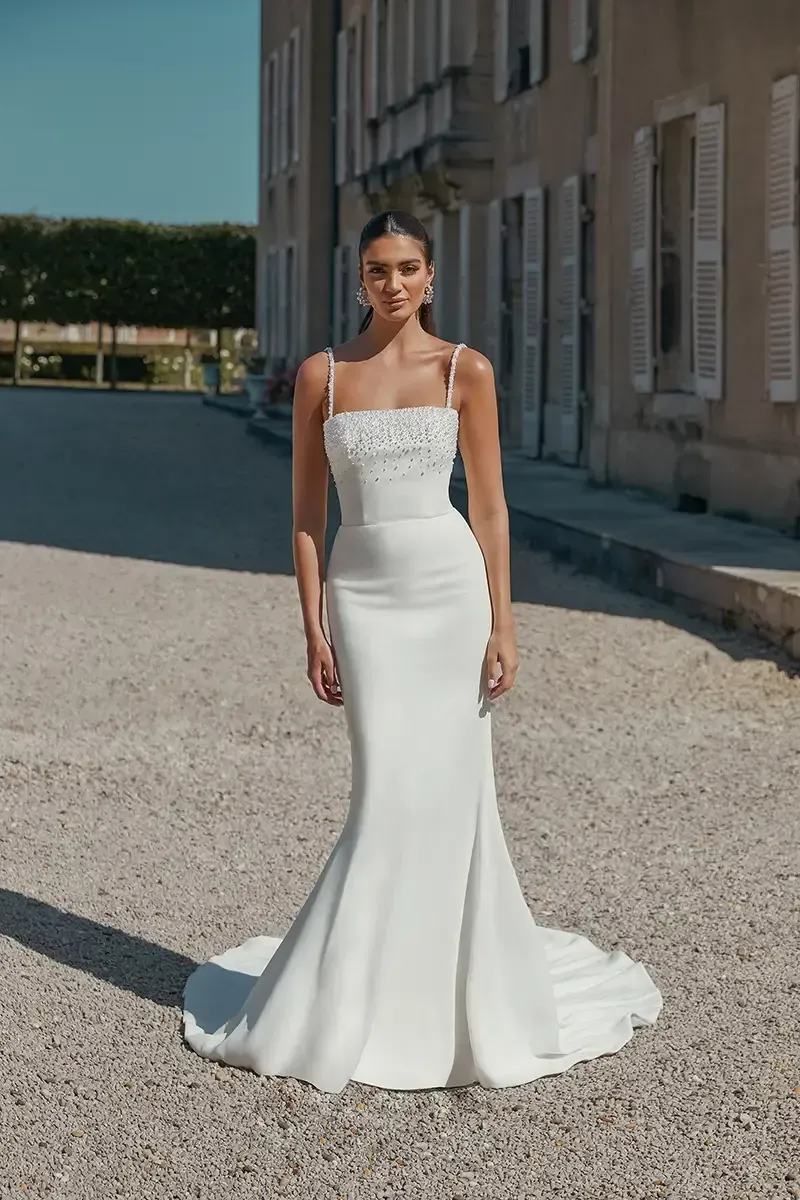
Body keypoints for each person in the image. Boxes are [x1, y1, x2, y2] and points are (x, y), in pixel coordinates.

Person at [181, 210, 663, 1094]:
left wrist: (504, 621)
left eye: (408, 268)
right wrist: (313, 625)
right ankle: (357, 997)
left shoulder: (463, 370)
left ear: (430, 277)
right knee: (384, 793)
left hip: (449, 598)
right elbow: (303, 514)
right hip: (363, 601)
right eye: (377, 269)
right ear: (357, 279)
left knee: (450, 793)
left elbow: (489, 508)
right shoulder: (323, 376)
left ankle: (443, 999)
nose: (393, 283)